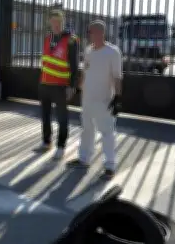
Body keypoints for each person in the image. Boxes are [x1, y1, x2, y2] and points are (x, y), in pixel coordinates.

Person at [67, 20, 122, 178]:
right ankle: (84, 159)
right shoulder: (89, 50)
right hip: (88, 99)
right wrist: (78, 88)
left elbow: (117, 77)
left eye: (89, 32)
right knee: (87, 129)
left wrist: (118, 97)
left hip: (104, 100)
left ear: (99, 33)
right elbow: (85, 72)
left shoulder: (113, 52)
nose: (88, 35)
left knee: (107, 132)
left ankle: (110, 166)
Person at [38, 10, 80, 160]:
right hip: (45, 83)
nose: (56, 24)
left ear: (63, 22)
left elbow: (74, 66)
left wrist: (72, 86)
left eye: (59, 22)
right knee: (45, 115)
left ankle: (61, 146)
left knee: (62, 118)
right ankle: (46, 141)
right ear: (49, 22)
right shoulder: (47, 38)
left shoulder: (71, 40)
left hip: (61, 86)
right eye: (54, 21)